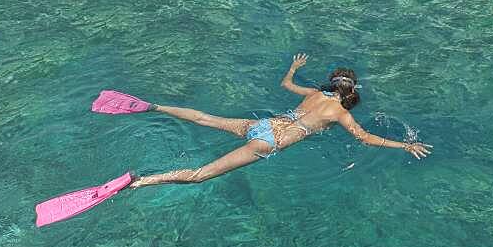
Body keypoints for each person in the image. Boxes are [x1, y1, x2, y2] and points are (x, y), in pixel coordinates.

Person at [129, 54, 432, 188]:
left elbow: (286, 85)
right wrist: (403, 146)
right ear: (352, 91)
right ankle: (139, 182)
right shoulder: (341, 113)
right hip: (269, 141)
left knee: (206, 118)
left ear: (332, 83)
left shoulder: (314, 92)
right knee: (200, 175)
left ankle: (151, 106)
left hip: (262, 125)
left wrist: (293, 67)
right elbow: (364, 137)